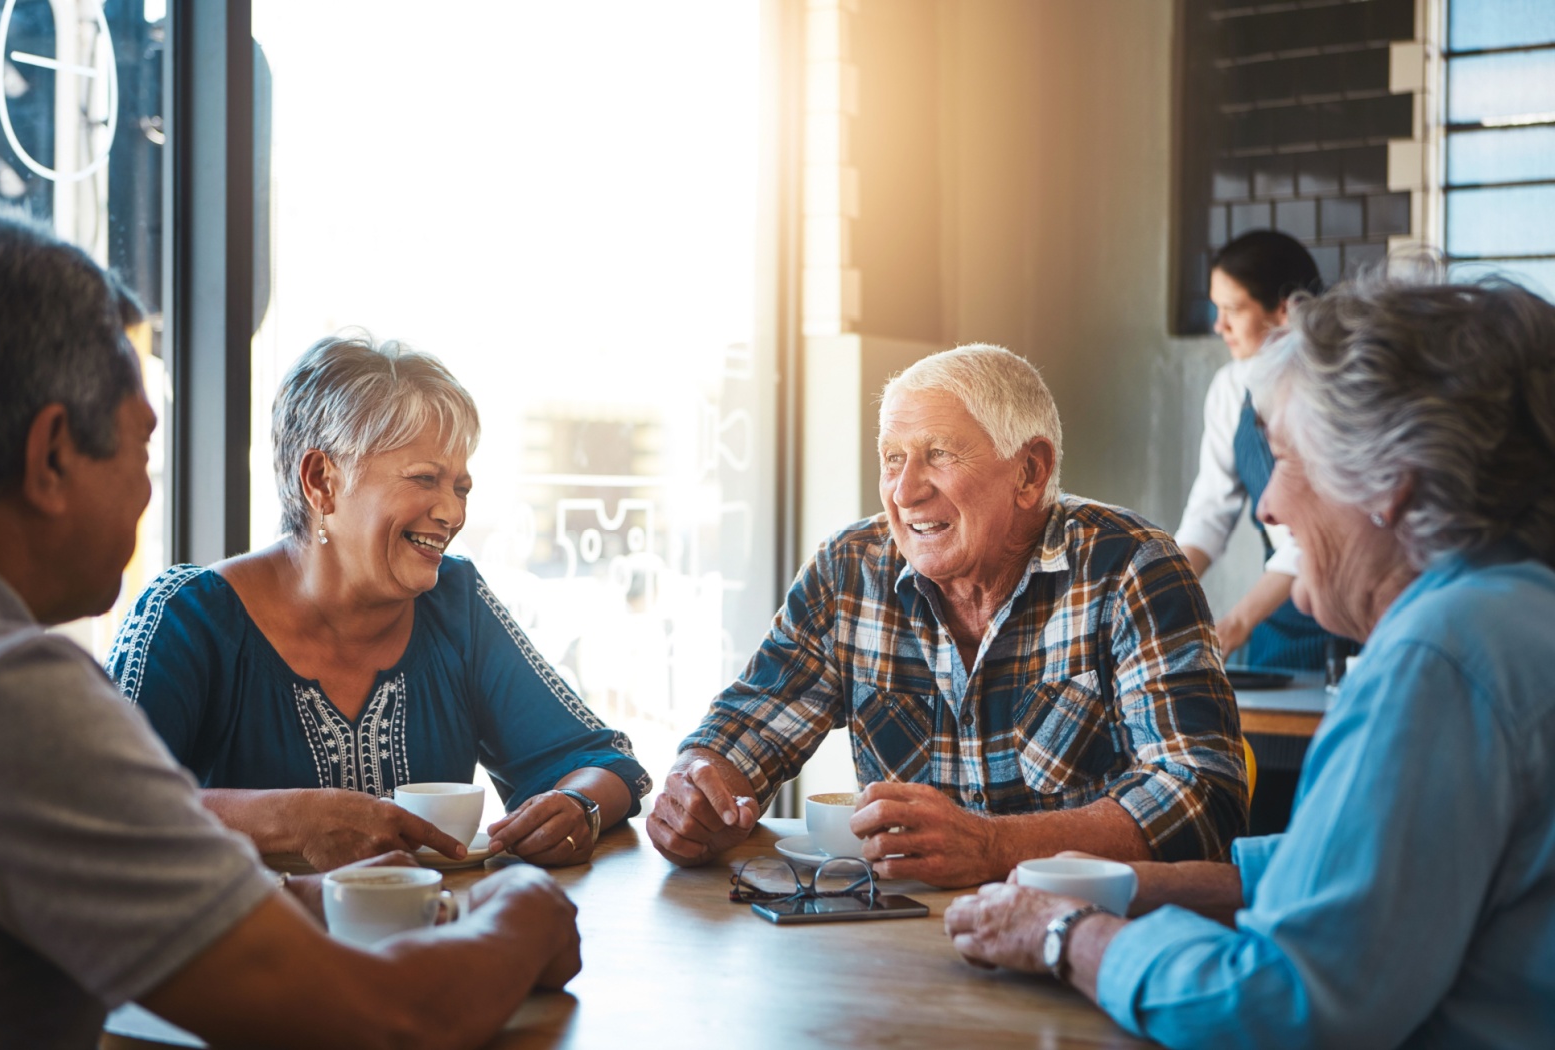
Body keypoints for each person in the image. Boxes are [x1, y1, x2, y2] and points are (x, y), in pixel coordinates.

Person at [0, 214, 582, 1048]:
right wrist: (525, 916)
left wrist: (322, 896)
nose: (149, 495)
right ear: (52, 456)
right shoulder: (10, 698)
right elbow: (387, 1020)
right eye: (143, 449)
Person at [944, 271, 1555, 1047]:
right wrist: (1129, 884)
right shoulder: (1519, 611)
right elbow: (1355, 878)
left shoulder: (1440, 656)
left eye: (1288, 463)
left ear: (1389, 483)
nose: (1269, 507)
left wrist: (1069, 935)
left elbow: (1282, 1004)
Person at [648, 344, 1248, 888]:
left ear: (1029, 472)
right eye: (892, 458)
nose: (904, 492)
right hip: (897, 944)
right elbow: (746, 728)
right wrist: (698, 785)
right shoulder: (849, 569)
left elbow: (1203, 798)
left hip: (1079, 940)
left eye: (937, 455)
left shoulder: (1131, 566)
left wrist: (993, 846)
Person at [105, 333, 651, 871]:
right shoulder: (185, 617)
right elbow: (102, 803)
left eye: (460, 488)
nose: (452, 514)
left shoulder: (455, 605)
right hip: (243, 957)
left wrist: (579, 807)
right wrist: (293, 817)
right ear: (321, 481)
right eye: (424, 480)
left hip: (424, 947)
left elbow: (604, 762)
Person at [1174, 230, 1336, 668]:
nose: (1218, 325)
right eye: (1216, 308)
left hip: (1350, 611)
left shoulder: (1331, 389)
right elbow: (1210, 509)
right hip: (1280, 615)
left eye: (1233, 309)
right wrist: (1155, 590)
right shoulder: (1231, 387)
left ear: (1285, 309)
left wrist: (1237, 623)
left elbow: (1316, 530)